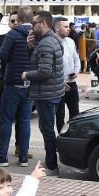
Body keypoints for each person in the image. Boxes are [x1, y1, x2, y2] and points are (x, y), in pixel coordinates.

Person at [0, 6, 35, 167]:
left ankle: (2, 156)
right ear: (32, 18)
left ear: (19, 19)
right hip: (30, 83)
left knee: (6, 120)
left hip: (12, 83)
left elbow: (2, 55)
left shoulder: (13, 34)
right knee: (24, 121)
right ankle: (23, 157)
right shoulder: (37, 35)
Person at [22, 11, 64, 175]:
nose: (31, 27)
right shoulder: (52, 40)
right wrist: (31, 47)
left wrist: (27, 75)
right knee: (48, 129)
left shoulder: (46, 43)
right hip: (53, 91)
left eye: (34, 23)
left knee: (47, 130)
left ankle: (52, 166)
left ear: (44, 23)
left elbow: (44, 71)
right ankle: (52, 163)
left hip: (47, 93)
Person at [56, 17, 81, 133]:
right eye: (65, 27)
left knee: (75, 114)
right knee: (60, 115)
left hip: (72, 83)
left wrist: (76, 71)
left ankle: (73, 137)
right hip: (58, 84)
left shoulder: (70, 41)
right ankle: (62, 139)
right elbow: (50, 65)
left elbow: (76, 58)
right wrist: (59, 80)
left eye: (68, 26)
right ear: (57, 28)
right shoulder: (52, 43)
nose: (68, 29)